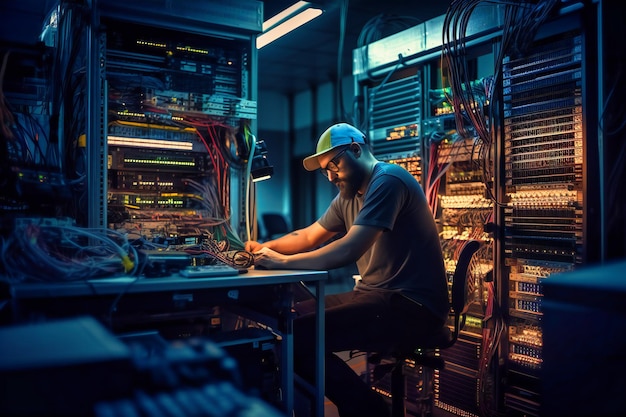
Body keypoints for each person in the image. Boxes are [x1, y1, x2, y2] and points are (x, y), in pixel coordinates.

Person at [245, 123, 448, 417]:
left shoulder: (388, 180)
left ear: (356, 149)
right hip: (377, 295)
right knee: (289, 320)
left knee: (300, 337)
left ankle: (369, 411)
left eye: (335, 164)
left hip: (412, 305)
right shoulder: (349, 197)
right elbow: (308, 235)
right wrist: (264, 247)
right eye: (325, 170)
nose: (330, 176)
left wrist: (283, 263)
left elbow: (349, 248)